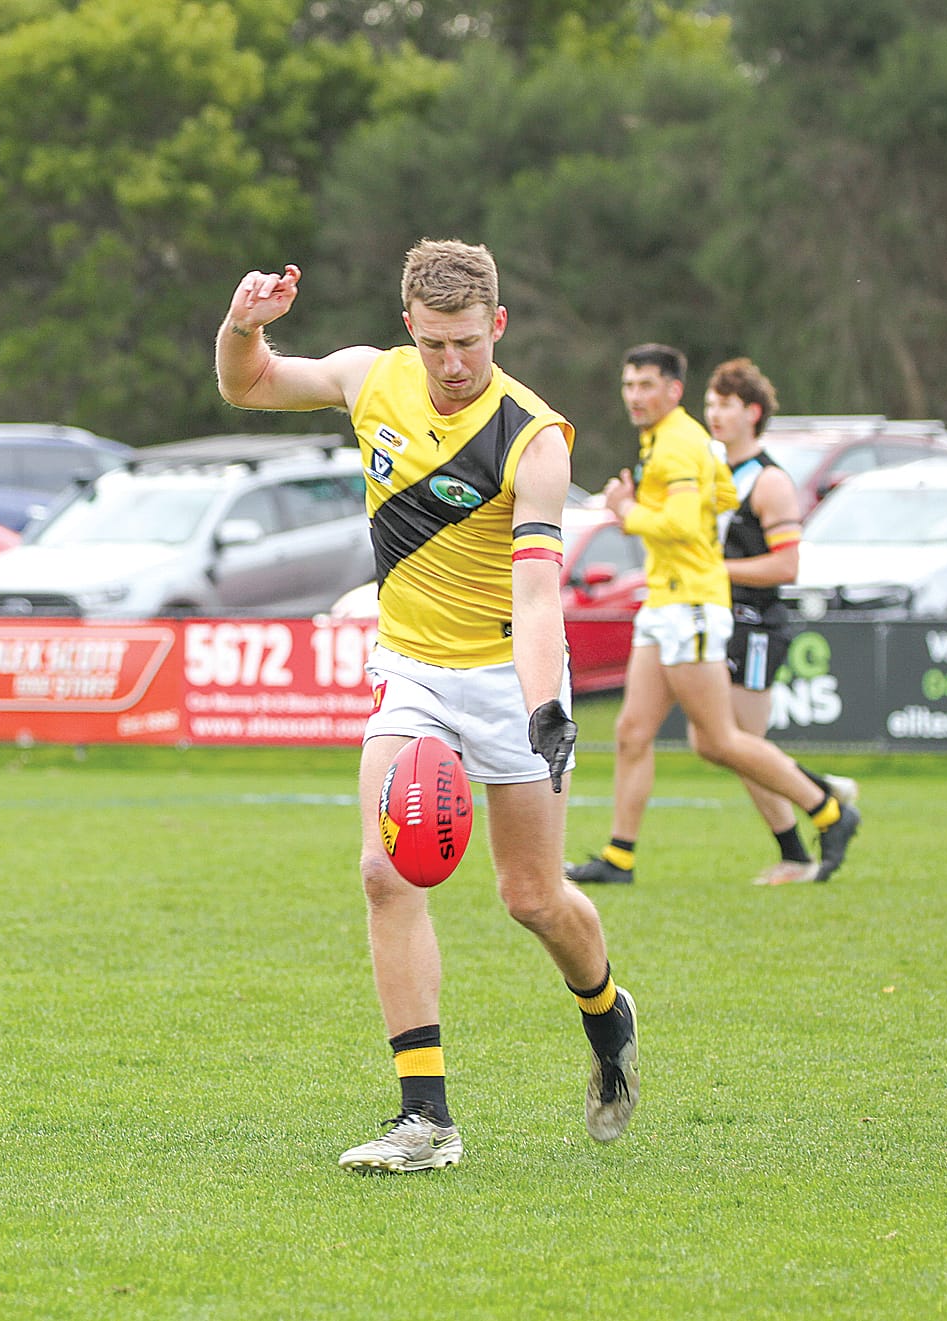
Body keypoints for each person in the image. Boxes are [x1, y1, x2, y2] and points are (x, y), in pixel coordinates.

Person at [215, 239, 639, 1174]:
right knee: (383, 870)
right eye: (436, 345)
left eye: (469, 346)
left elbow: (536, 597)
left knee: (532, 898)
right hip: (410, 666)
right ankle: (426, 1119)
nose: (453, 366)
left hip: (509, 676)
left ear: (498, 326)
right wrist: (242, 324)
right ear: (411, 328)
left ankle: (608, 1018)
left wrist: (544, 706)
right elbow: (250, 386)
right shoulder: (370, 380)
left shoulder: (534, 440)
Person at [565, 344, 861, 888]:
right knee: (633, 731)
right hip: (667, 600)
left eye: (646, 385)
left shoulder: (680, 441)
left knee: (721, 740)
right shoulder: (675, 443)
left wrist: (627, 511)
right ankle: (619, 858)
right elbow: (721, 493)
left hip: (694, 605)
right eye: (628, 386)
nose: (634, 396)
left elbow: (679, 523)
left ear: (672, 391)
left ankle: (828, 810)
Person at [699, 357, 858, 886]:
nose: (713, 413)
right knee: (720, 743)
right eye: (710, 403)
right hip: (722, 621)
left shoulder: (769, 482)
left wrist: (712, 570)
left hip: (758, 625)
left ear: (754, 412)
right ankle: (818, 792)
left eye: (726, 404)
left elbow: (787, 566)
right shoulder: (712, 473)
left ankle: (803, 839)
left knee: (741, 745)